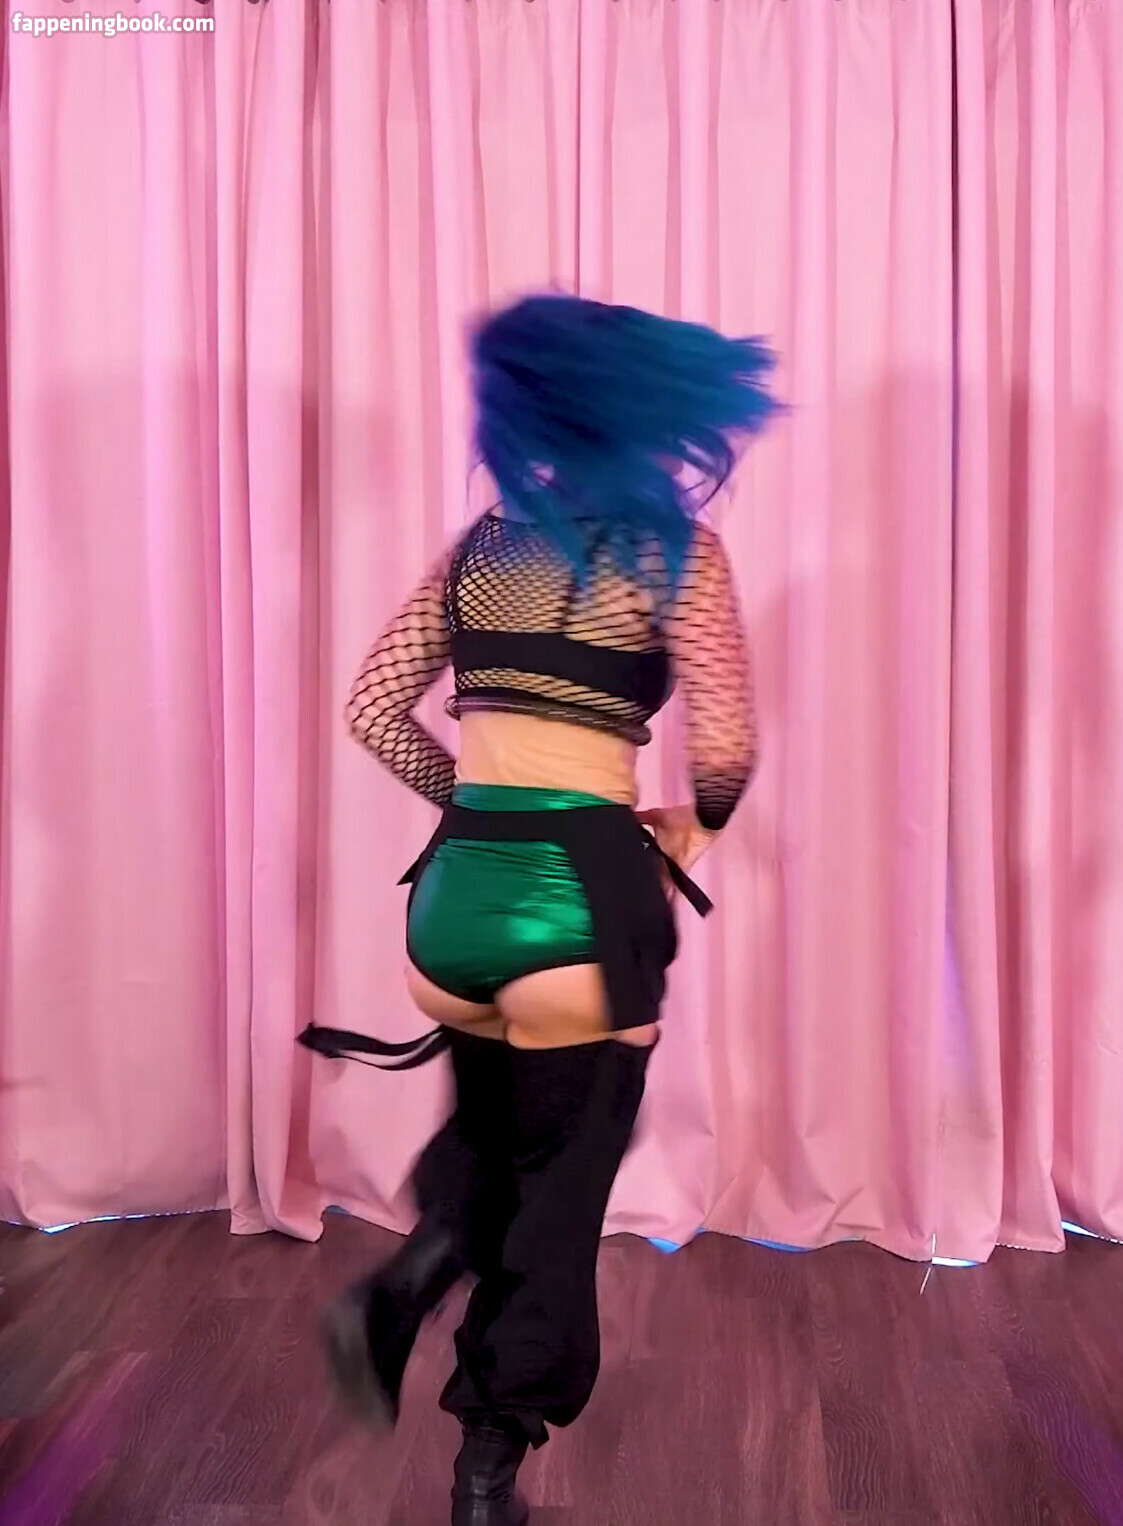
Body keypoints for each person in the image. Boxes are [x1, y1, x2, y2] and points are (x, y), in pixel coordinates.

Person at [298, 294, 779, 1526]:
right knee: (560, 1194)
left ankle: (410, 1274)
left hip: (452, 903)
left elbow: (371, 709)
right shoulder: (676, 555)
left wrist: (473, 802)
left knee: (498, 1132)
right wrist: (683, 829)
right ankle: (485, 1466)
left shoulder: (481, 547)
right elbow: (724, 750)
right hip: (578, 903)